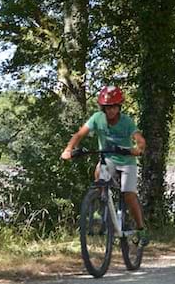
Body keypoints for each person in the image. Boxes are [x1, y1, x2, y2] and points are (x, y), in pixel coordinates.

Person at [61, 86, 149, 245]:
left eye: (114, 107)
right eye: (107, 107)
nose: (110, 111)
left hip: (127, 161)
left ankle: (141, 228)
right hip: (108, 159)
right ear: (103, 107)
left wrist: (138, 149)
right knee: (99, 177)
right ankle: (100, 209)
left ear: (119, 107)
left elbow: (140, 139)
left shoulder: (126, 121)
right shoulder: (97, 118)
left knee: (128, 194)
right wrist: (69, 149)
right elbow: (80, 134)